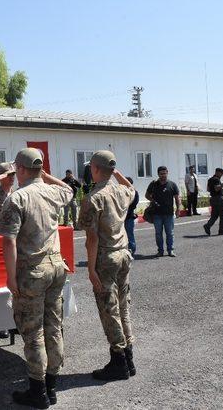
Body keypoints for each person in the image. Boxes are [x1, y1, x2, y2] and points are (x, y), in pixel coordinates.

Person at [0, 148, 73, 408]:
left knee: (33, 332)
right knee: (54, 327)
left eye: (17, 168)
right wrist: (45, 175)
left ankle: (37, 391)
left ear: (21, 169)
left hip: (33, 271)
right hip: (57, 267)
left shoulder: (18, 198)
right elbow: (69, 190)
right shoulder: (52, 192)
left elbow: (8, 241)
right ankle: (51, 387)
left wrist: (10, 277)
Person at [78, 150, 136, 382]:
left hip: (106, 259)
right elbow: (131, 189)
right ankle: (129, 358)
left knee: (109, 311)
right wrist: (116, 173)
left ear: (95, 169)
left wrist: (91, 270)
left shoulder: (93, 198)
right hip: (123, 254)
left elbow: (91, 239)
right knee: (123, 307)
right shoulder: (121, 191)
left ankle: (118, 361)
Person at [146, 166, 180, 257]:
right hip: (157, 214)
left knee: (170, 233)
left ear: (167, 173)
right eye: (161, 174)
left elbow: (177, 198)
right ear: (158, 174)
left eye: (164, 173)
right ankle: (160, 251)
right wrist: (153, 201)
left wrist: (178, 209)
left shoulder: (172, 184)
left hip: (169, 214)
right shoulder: (154, 184)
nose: (163, 175)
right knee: (158, 233)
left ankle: (170, 250)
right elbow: (147, 195)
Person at [203, 168, 223, 236]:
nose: (221, 175)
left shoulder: (210, 179)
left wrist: (221, 190)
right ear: (217, 172)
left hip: (213, 199)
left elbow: (208, 189)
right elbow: (217, 188)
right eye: (221, 173)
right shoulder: (216, 179)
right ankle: (221, 231)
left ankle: (208, 226)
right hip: (218, 199)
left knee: (214, 215)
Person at [124, 177, 139, 255]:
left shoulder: (134, 192)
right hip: (121, 218)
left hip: (129, 217)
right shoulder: (121, 192)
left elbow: (134, 204)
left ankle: (132, 250)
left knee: (129, 234)